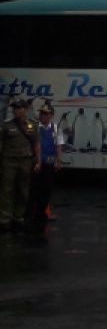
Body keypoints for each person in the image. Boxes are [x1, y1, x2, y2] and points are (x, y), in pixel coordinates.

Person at [0, 99, 40, 231]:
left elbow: (36, 144)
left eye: (19, 108)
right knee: (6, 190)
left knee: (23, 190)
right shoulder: (6, 126)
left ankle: (19, 217)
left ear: (25, 109)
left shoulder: (32, 125)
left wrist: (38, 161)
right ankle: (5, 219)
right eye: (15, 108)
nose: (16, 110)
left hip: (25, 161)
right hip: (9, 161)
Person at [31, 103, 64, 223]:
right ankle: (34, 213)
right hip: (36, 163)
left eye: (45, 113)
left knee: (47, 189)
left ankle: (44, 212)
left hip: (49, 163)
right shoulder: (34, 127)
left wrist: (58, 160)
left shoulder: (56, 128)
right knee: (34, 188)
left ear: (51, 115)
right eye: (41, 113)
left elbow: (58, 145)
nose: (42, 116)